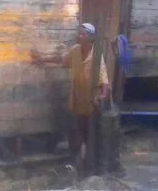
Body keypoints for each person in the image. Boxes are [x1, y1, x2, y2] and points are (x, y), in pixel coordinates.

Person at [31, 22, 109, 163]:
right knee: (75, 130)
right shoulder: (75, 50)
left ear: (90, 38)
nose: (79, 36)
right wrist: (42, 59)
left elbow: (104, 82)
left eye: (83, 34)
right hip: (77, 100)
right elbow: (61, 59)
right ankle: (77, 159)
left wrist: (102, 96)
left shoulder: (96, 57)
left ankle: (92, 161)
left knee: (89, 133)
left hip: (91, 103)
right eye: (79, 33)